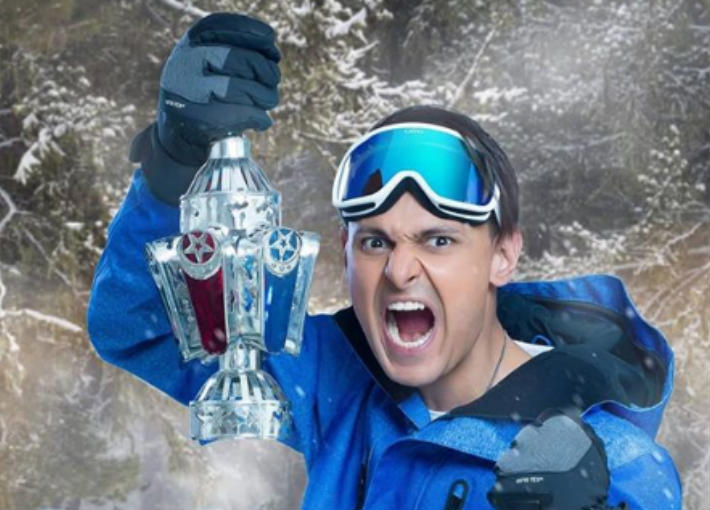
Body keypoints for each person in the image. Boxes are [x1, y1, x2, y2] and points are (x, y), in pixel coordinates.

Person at [87, 12, 682, 510]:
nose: (400, 271)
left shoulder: (613, 465)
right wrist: (175, 162)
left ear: (503, 256)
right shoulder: (340, 382)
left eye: (438, 241)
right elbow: (140, 327)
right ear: (345, 255)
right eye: (375, 242)